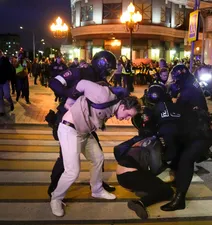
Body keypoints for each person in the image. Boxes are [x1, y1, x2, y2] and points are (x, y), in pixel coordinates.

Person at [50, 79, 141, 217]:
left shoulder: (114, 106)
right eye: (128, 115)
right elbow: (82, 83)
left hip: (84, 132)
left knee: (98, 158)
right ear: (122, 107)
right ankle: (56, 198)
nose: (127, 119)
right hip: (70, 129)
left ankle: (97, 190)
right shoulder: (104, 95)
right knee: (72, 171)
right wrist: (69, 102)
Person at [47, 51, 118, 197]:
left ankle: (97, 183)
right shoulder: (79, 72)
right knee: (65, 157)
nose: (109, 73)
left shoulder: (100, 78)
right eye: (109, 69)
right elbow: (54, 82)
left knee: (97, 154)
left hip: (86, 121)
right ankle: (54, 186)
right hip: (68, 118)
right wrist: (70, 94)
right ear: (101, 64)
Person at [161, 64, 212, 211]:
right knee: (177, 153)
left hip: (202, 134)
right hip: (193, 131)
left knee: (186, 159)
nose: (174, 81)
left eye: (175, 78)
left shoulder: (188, 91)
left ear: (180, 76)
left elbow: (177, 109)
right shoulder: (189, 84)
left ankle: (180, 199)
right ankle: (178, 181)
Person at [115, 135, 173, 219]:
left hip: (122, 176)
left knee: (156, 183)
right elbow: (155, 169)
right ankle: (139, 203)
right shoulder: (155, 145)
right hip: (131, 176)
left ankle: (143, 190)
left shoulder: (145, 140)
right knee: (168, 191)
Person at [0, 50, 14, 116]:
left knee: (7, 95)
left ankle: (11, 103)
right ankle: (2, 111)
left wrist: (9, 78)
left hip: (5, 80)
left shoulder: (5, 60)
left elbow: (9, 69)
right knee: (0, 97)